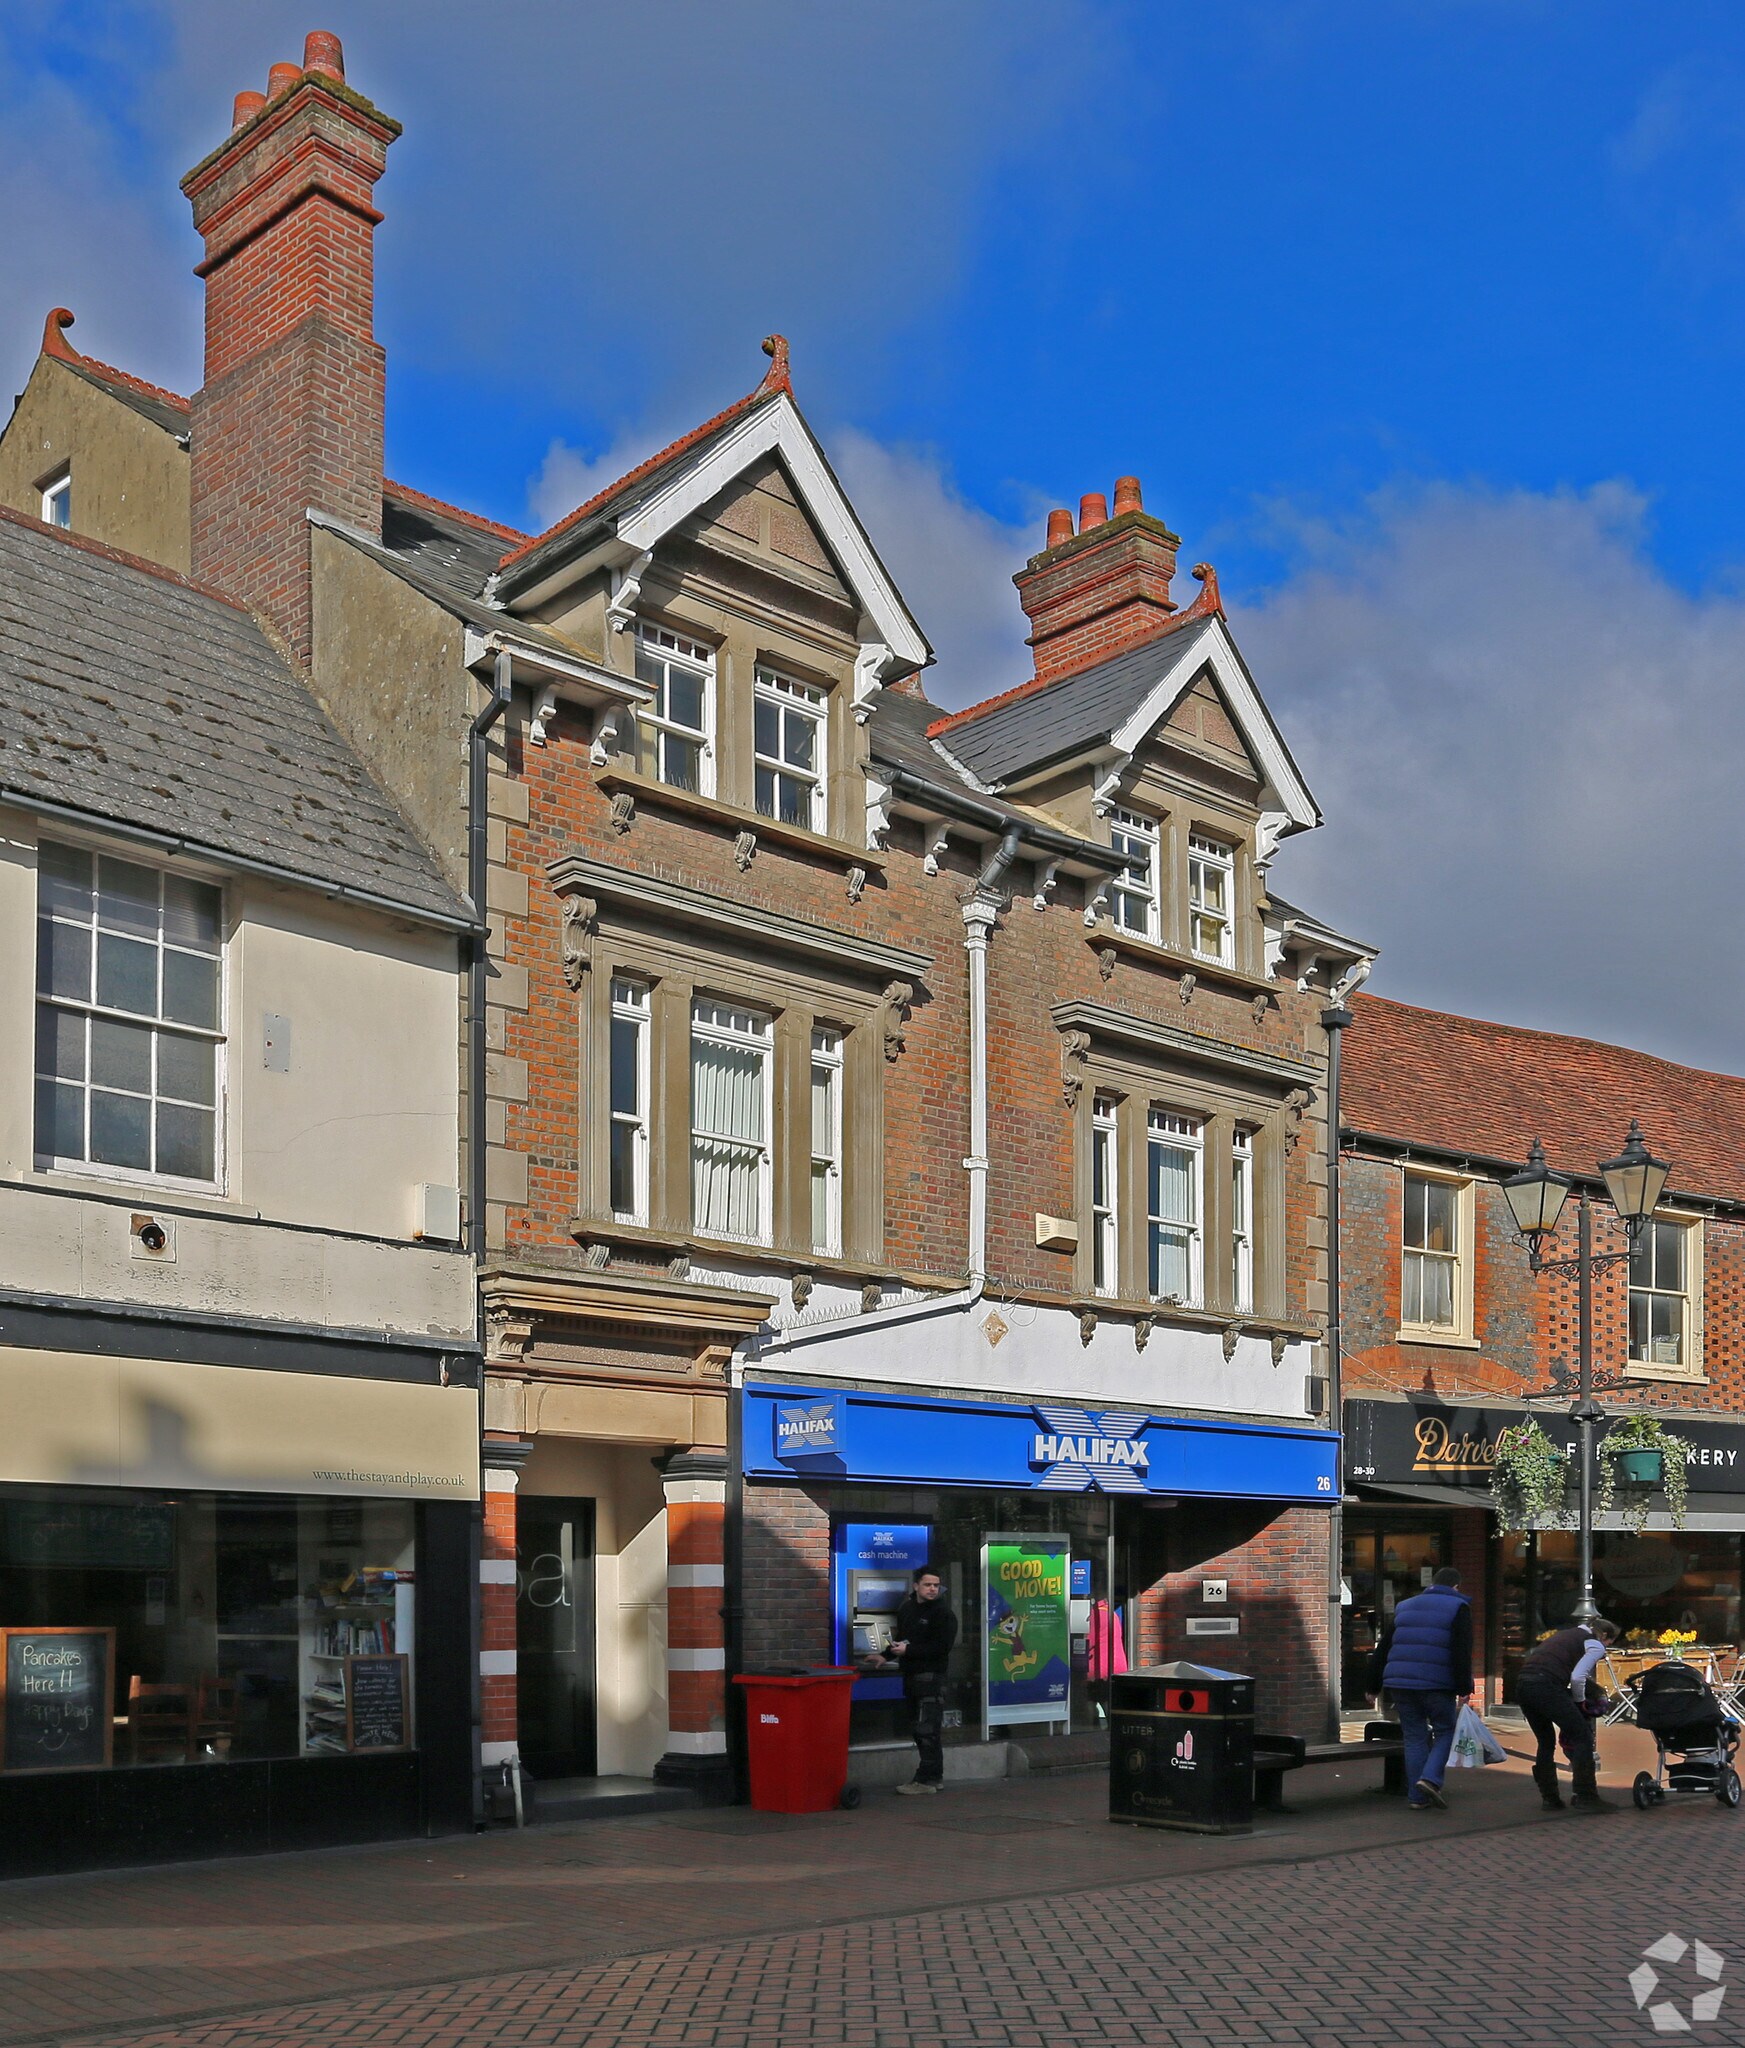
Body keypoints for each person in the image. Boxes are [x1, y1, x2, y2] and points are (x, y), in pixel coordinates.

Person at [1366, 1565, 1474, 1812]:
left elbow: (1384, 1648)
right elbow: (1461, 1651)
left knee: (1414, 1737)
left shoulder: (1405, 1606)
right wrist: (1464, 1686)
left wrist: (1372, 1685)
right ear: (1456, 1587)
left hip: (1400, 1683)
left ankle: (1416, 1797)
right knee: (1445, 1731)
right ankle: (1430, 1779)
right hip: (1437, 1684)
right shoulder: (1458, 1607)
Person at [1516, 1615, 1619, 1813]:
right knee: (1582, 1736)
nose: (1606, 1648)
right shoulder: (1595, 1644)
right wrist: (1581, 1702)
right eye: (1609, 1642)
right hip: (1547, 1686)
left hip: (1524, 1684)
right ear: (1604, 1635)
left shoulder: (1566, 1635)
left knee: (1545, 1742)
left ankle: (1550, 1798)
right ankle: (1586, 1795)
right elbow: (1578, 1677)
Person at [886, 1566, 958, 1796]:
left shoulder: (943, 1614)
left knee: (927, 1729)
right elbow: (902, 1640)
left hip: (931, 1677)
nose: (932, 1589)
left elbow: (941, 1648)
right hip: (911, 1676)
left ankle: (926, 1779)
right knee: (919, 1729)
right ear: (916, 1585)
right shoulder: (907, 1609)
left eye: (936, 1585)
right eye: (928, 1585)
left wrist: (908, 1651)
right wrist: (885, 1655)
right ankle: (933, 1777)